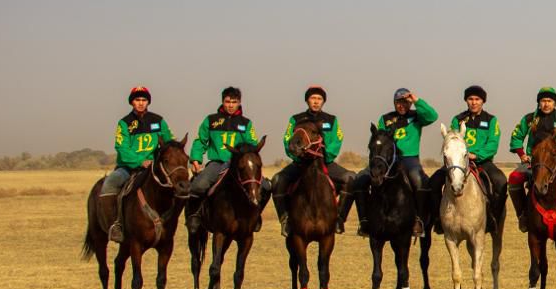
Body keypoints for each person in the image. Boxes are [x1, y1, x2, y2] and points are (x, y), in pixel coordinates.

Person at [340, 88, 437, 236]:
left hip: (408, 158)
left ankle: (419, 220)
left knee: (418, 180)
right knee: (360, 180)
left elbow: (432, 116)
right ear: (394, 103)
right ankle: (365, 222)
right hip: (385, 160)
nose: (401, 105)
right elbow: (378, 138)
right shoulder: (385, 119)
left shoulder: (417, 116)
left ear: (409, 103)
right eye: (398, 102)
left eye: (405, 102)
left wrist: (416, 100)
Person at [186, 86, 270, 234]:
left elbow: (252, 144)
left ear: (239, 103)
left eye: (234, 102)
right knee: (198, 185)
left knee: (266, 186)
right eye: (227, 102)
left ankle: (256, 215)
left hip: (238, 165)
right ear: (222, 102)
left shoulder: (245, 123)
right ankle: (195, 215)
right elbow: (200, 141)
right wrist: (196, 160)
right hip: (216, 163)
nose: (230, 105)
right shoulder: (211, 120)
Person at [271, 86, 354, 236]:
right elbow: (287, 139)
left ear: (323, 101)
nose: (316, 102)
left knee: (351, 178)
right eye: (313, 98)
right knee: (277, 180)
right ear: (307, 100)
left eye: (319, 99)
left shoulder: (331, 120)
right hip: (301, 163)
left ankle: (339, 219)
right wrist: (297, 156)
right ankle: (285, 220)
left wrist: (326, 156)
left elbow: (337, 140)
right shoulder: (296, 119)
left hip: (325, 163)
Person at [507, 87, 556, 232]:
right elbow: (516, 136)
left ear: (555, 103)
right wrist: (522, 154)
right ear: (539, 103)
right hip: (535, 160)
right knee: (514, 177)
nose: (546, 104)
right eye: (543, 101)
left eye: (549, 101)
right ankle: (523, 215)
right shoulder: (530, 118)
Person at [100, 86, 174, 242]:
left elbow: (169, 144)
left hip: (153, 168)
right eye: (137, 100)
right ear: (132, 102)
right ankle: (115, 226)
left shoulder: (158, 121)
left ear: (148, 102)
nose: (141, 103)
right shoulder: (124, 123)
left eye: (144, 100)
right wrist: (140, 161)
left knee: (177, 184)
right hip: (129, 168)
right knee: (110, 182)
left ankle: (172, 222)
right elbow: (122, 148)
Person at [450, 85, 508, 231]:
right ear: (466, 101)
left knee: (501, 181)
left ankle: (493, 218)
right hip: (460, 162)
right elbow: (452, 140)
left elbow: (493, 143)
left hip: (483, 162)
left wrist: (476, 155)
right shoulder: (457, 120)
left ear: (483, 101)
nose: (474, 102)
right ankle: (438, 220)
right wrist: (463, 156)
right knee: (435, 181)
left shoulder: (491, 120)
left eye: (477, 99)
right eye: (470, 99)